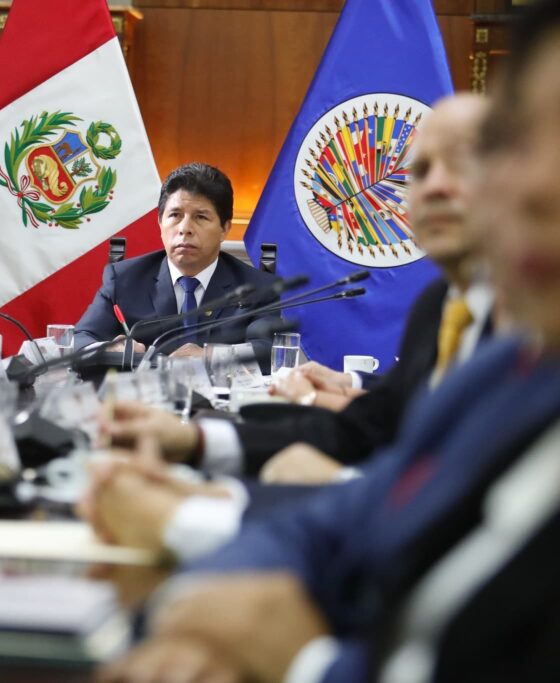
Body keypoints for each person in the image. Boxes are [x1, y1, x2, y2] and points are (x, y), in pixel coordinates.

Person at [99, 2, 560, 679]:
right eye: (528, 145)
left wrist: (300, 658)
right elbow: (365, 514)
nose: (531, 189)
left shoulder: (515, 346)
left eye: (471, 160)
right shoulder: (510, 365)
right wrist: (194, 566)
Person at [99, 95, 496, 488]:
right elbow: (379, 421)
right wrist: (194, 441)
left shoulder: (533, 328)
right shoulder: (438, 305)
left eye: (460, 165)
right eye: (420, 171)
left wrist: (341, 477)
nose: (436, 186)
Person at [73, 163, 282, 368]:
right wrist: (108, 350)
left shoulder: (258, 287)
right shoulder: (124, 279)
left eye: (200, 217)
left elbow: (267, 350)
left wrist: (208, 356)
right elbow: (82, 338)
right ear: (160, 224)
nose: (185, 229)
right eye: (175, 215)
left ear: (224, 229)